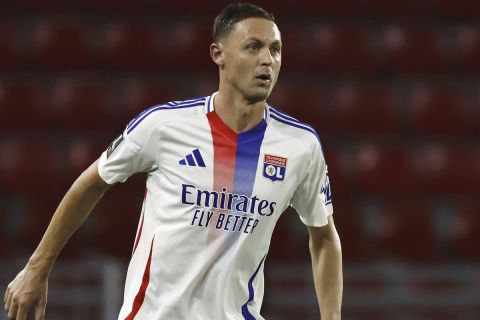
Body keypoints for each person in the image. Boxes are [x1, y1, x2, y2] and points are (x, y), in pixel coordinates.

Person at [4, 3, 342, 319]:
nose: (267, 60)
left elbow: (324, 237)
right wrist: (37, 268)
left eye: (275, 49)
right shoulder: (163, 126)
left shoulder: (300, 146)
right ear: (218, 54)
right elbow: (92, 183)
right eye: (253, 47)